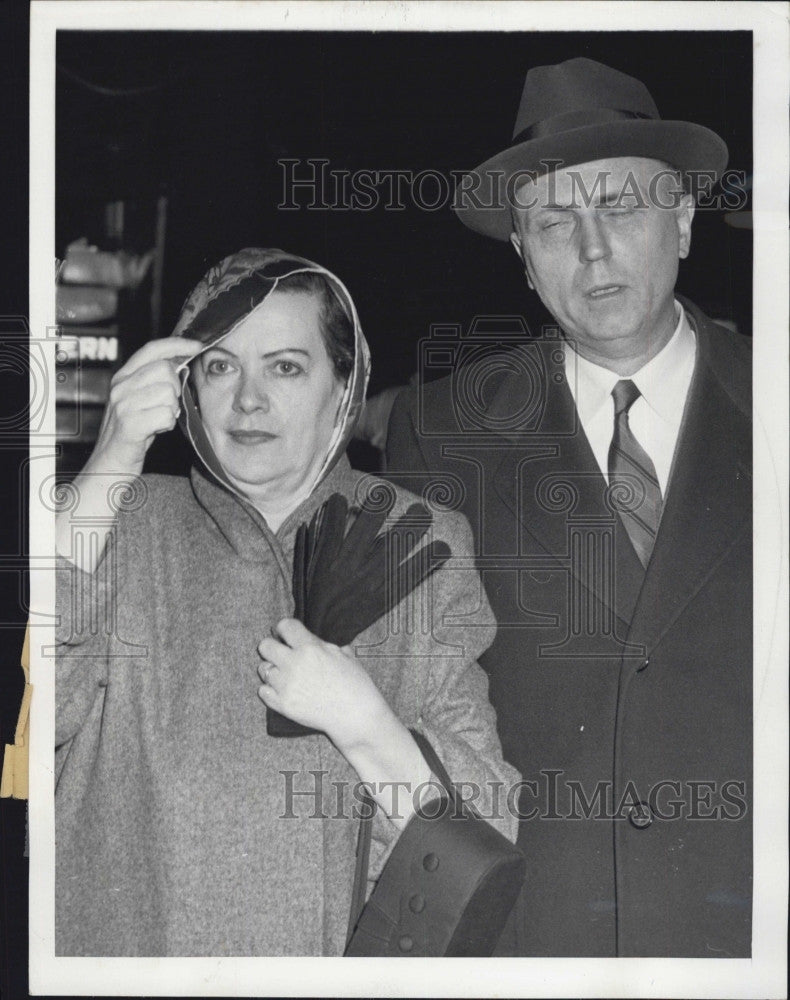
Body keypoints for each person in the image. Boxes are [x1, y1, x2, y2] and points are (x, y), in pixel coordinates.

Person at [54, 248, 519, 956]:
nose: (247, 400)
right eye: (218, 366)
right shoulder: (119, 520)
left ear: (345, 386)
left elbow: (491, 819)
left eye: (285, 366)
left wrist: (365, 723)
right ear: (182, 390)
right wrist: (113, 456)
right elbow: (38, 706)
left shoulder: (419, 540)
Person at [386, 58, 752, 957]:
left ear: (686, 219)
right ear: (521, 254)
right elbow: (411, 708)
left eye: (621, 208)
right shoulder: (442, 434)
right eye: (553, 222)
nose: (591, 251)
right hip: (537, 937)